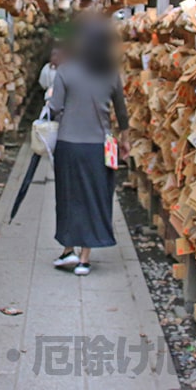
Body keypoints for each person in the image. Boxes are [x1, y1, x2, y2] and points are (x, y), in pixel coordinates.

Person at [48, 15, 130, 276]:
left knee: (69, 196)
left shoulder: (66, 71)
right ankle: (84, 258)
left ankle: (67, 249)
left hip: (69, 144)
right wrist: (125, 141)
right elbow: (122, 112)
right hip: (102, 146)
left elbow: (56, 108)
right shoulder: (111, 74)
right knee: (95, 197)